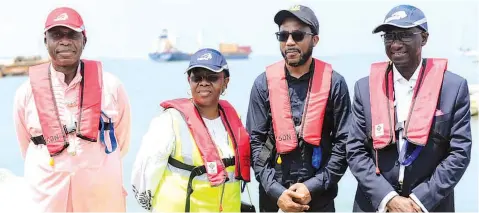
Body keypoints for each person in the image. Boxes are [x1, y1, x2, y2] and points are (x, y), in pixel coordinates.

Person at [346, 4, 472, 212]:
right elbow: (355, 152)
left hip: (430, 206)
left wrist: (420, 200)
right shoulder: (364, 88)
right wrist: (388, 199)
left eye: (403, 35)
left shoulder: (453, 88)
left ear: (423, 38)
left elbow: (459, 153)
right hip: (375, 204)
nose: (395, 44)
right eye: (388, 36)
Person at [13, 7, 131, 212]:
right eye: (56, 35)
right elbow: (25, 144)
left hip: (99, 198)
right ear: (45, 41)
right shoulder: (26, 92)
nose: (64, 41)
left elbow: (123, 140)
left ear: (84, 40)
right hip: (46, 197)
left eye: (72, 34)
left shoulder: (111, 86)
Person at [246, 4, 351, 212]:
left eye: (298, 35)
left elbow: (345, 144)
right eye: (283, 36)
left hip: (319, 198)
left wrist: (312, 187)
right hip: (273, 200)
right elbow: (254, 144)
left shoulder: (335, 84)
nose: (290, 42)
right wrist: (277, 192)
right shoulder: (263, 84)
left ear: (314, 39)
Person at [131, 48, 251, 212]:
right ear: (189, 80)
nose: (203, 82)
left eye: (212, 77)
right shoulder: (170, 121)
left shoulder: (234, 120)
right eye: (197, 77)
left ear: (225, 82)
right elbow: (144, 175)